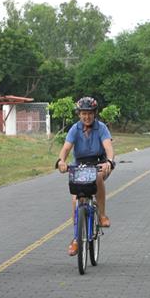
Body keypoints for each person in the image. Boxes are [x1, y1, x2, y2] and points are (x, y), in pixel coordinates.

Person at [57, 97, 115, 256]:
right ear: (79, 114)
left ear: (95, 114)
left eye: (89, 113)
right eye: (83, 113)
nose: (86, 117)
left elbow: (108, 147)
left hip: (99, 163)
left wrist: (109, 161)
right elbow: (66, 148)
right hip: (80, 165)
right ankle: (76, 238)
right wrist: (61, 161)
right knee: (76, 199)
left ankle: (102, 215)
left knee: (96, 177)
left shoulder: (101, 128)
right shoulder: (75, 129)